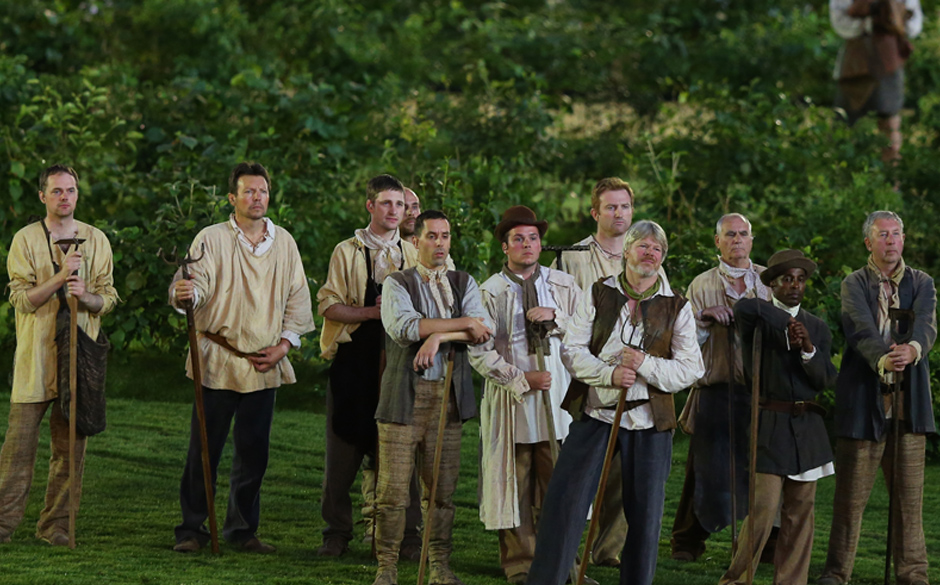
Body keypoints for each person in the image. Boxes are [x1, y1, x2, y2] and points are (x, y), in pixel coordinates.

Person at [527, 220, 704, 585]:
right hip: (596, 414)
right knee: (565, 504)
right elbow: (572, 350)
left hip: (649, 423)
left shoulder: (676, 307)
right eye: (643, 246)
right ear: (627, 251)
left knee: (645, 516)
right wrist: (609, 375)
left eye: (657, 249)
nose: (650, 253)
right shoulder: (598, 294)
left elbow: (691, 368)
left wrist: (644, 365)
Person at [171, 162, 315, 553]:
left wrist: (284, 346)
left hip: (264, 362)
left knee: (254, 453)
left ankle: (242, 530)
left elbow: (298, 298)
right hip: (218, 358)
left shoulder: (283, 242)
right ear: (232, 198)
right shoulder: (211, 238)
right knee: (204, 447)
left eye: (263, 191)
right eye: (249, 192)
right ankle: (191, 529)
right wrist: (189, 295)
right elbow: (193, 283)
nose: (257, 198)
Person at [373, 210, 493, 585]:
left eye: (445, 236)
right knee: (392, 492)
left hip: (449, 398)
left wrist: (439, 336)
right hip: (404, 397)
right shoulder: (397, 282)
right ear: (415, 241)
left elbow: (483, 330)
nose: (439, 243)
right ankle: (386, 568)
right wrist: (460, 325)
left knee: (442, 492)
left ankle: (440, 565)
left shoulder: (463, 281)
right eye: (432, 236)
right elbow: (405, 327)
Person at [0, 164, 117, 546]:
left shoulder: (96, 240)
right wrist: (59, 277)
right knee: (17, 450)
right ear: (42, 196)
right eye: (56, 191)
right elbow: (21, 300)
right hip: (35, 360)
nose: (64, 197)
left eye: (70, 190)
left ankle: (56, 527)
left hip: (78, 360)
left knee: (70, 450)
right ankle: (2, 525)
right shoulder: (25, 239)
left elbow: (108, 299)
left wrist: (85, 296)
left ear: (77, 195)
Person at [817, 211, 935, 585]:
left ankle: (913, 574)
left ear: (904, 239)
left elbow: (928, 323)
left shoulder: (923, 282)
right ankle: (837, 573)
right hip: (864, 403)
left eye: (897, 233)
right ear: (869, 242)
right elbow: (858, 326)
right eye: (883, 234)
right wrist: (884, 357)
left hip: (909, 404)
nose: (891, 240)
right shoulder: (854, 283)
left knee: (910, 500)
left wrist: (913, 349)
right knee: (849, 500)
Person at [470, 206, 581, 584]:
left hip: (557, 403)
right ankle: (520, 564)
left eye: (533, 238)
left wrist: (558, 318)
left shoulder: (563, 286)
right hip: (512, 404)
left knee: (560, 489)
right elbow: (479, 352)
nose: (528, 244)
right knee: (513, 488)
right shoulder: (488, 292)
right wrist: (522, 378)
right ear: (505, 246)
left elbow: (587, 331)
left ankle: (563, 565)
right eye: (519, 238)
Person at [315, 174, 422, 558]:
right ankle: (336, 533)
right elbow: (328, 305)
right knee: (342, 449)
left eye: (400, 205)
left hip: (401, 364)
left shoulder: (415, 253)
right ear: (371, 206)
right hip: (353, 363)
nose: (395, 211)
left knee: (399, 452)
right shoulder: (347, 251)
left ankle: (404, 536)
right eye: (387, 203)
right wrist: (371, 313)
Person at [719, 249, 837, 585]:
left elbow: (825, 379)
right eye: (787, 279)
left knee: (800, 516)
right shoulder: (758, 319)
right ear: (771, 284)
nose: (795, 286)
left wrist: (808, 348)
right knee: (761, 512)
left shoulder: (817, 326)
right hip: (769, 426)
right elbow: (744, 305)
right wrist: (788, 324)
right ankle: (736, 580)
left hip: (807, 431)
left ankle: (791, 581)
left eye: (800, 280)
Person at [549, 176, 649, 566]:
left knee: (627, 466)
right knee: (580, 467)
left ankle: (608, 549)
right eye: (610, 207)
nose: (618, 213)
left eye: (624, 206)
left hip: (632, 373)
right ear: (595, 212)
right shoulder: (571, 258)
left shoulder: (645, 254)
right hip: (588, 373)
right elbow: (562, 313)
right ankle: (568, 552)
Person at [671, 213, 772, 561]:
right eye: (730, 234)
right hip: (713, 389)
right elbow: (682, 343)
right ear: (717, 241)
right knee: (703, 467)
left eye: (743, 234)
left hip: (758, 391)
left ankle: (766, 545)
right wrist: (704, 317)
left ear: (752, 239)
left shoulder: (767, 282)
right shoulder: (701, 285)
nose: (737, 240)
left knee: (762, 467)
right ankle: (687, 541)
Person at [831, 0, 923, 163]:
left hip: (889, 58)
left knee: (890, 124)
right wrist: (868, 22)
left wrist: (895, 20)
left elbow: (913, 24)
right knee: (845, 123)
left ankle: (891, 181)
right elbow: (839, 22)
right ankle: (842, 178)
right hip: (856, 61)